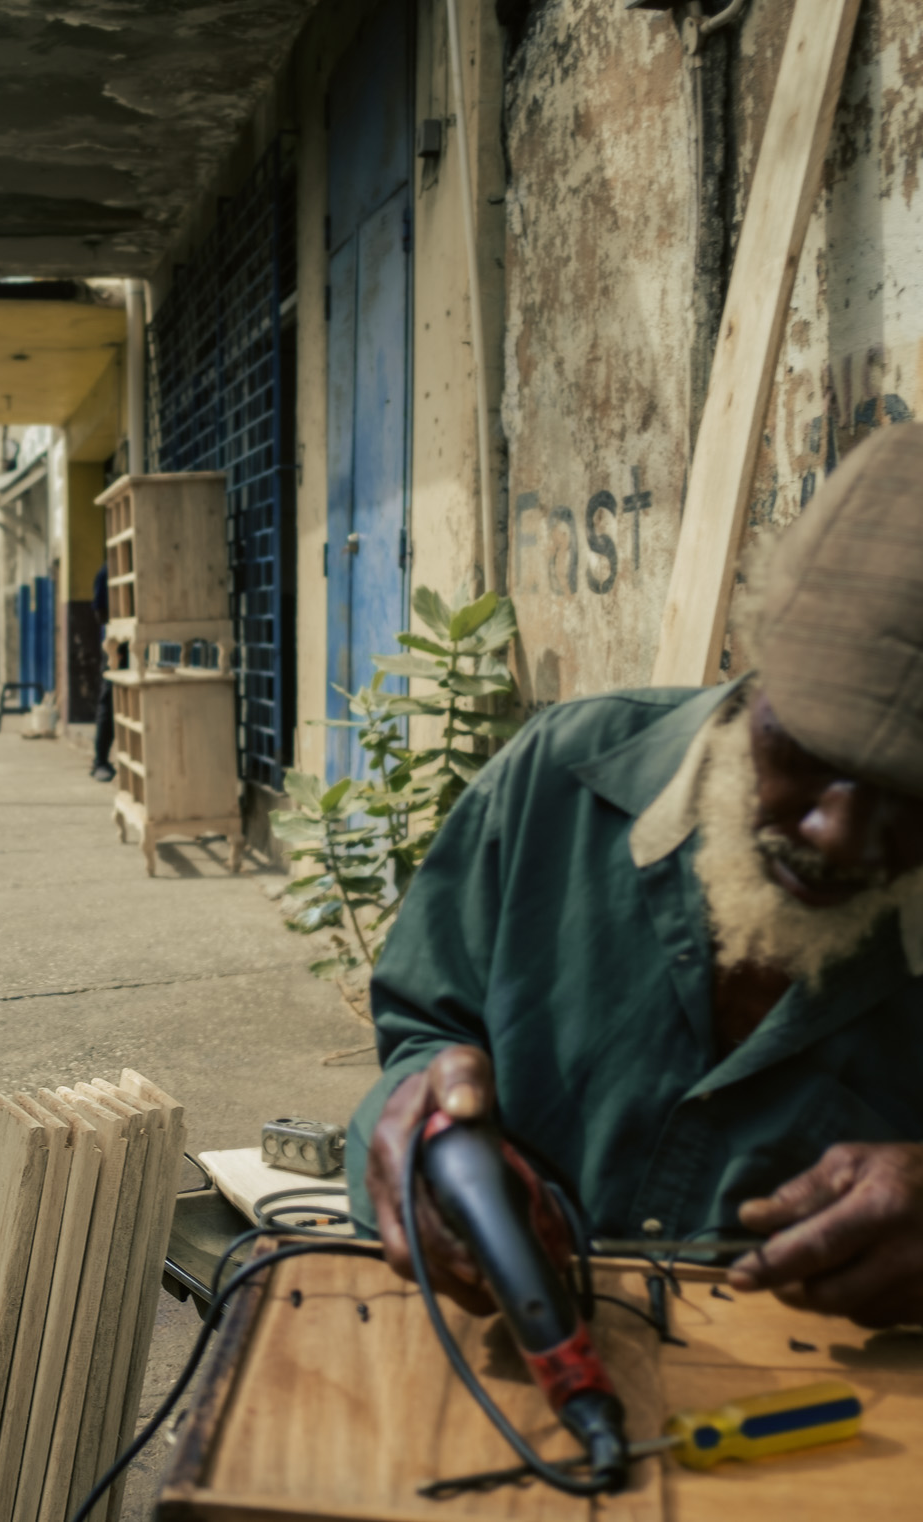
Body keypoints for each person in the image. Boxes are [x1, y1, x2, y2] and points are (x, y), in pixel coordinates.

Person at [351, 424, 923, 1331]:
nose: (842, 836)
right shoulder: (557, 773)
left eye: (914, 796)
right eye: (807, 751)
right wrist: (415, 1129)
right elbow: (426, 1029)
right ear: (755, 666)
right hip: (514, 1368)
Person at [90, 561, 116, 783]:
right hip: (115, 645)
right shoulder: (107, 572)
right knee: (109, 700)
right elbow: (99, 610)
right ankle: (100, 759)